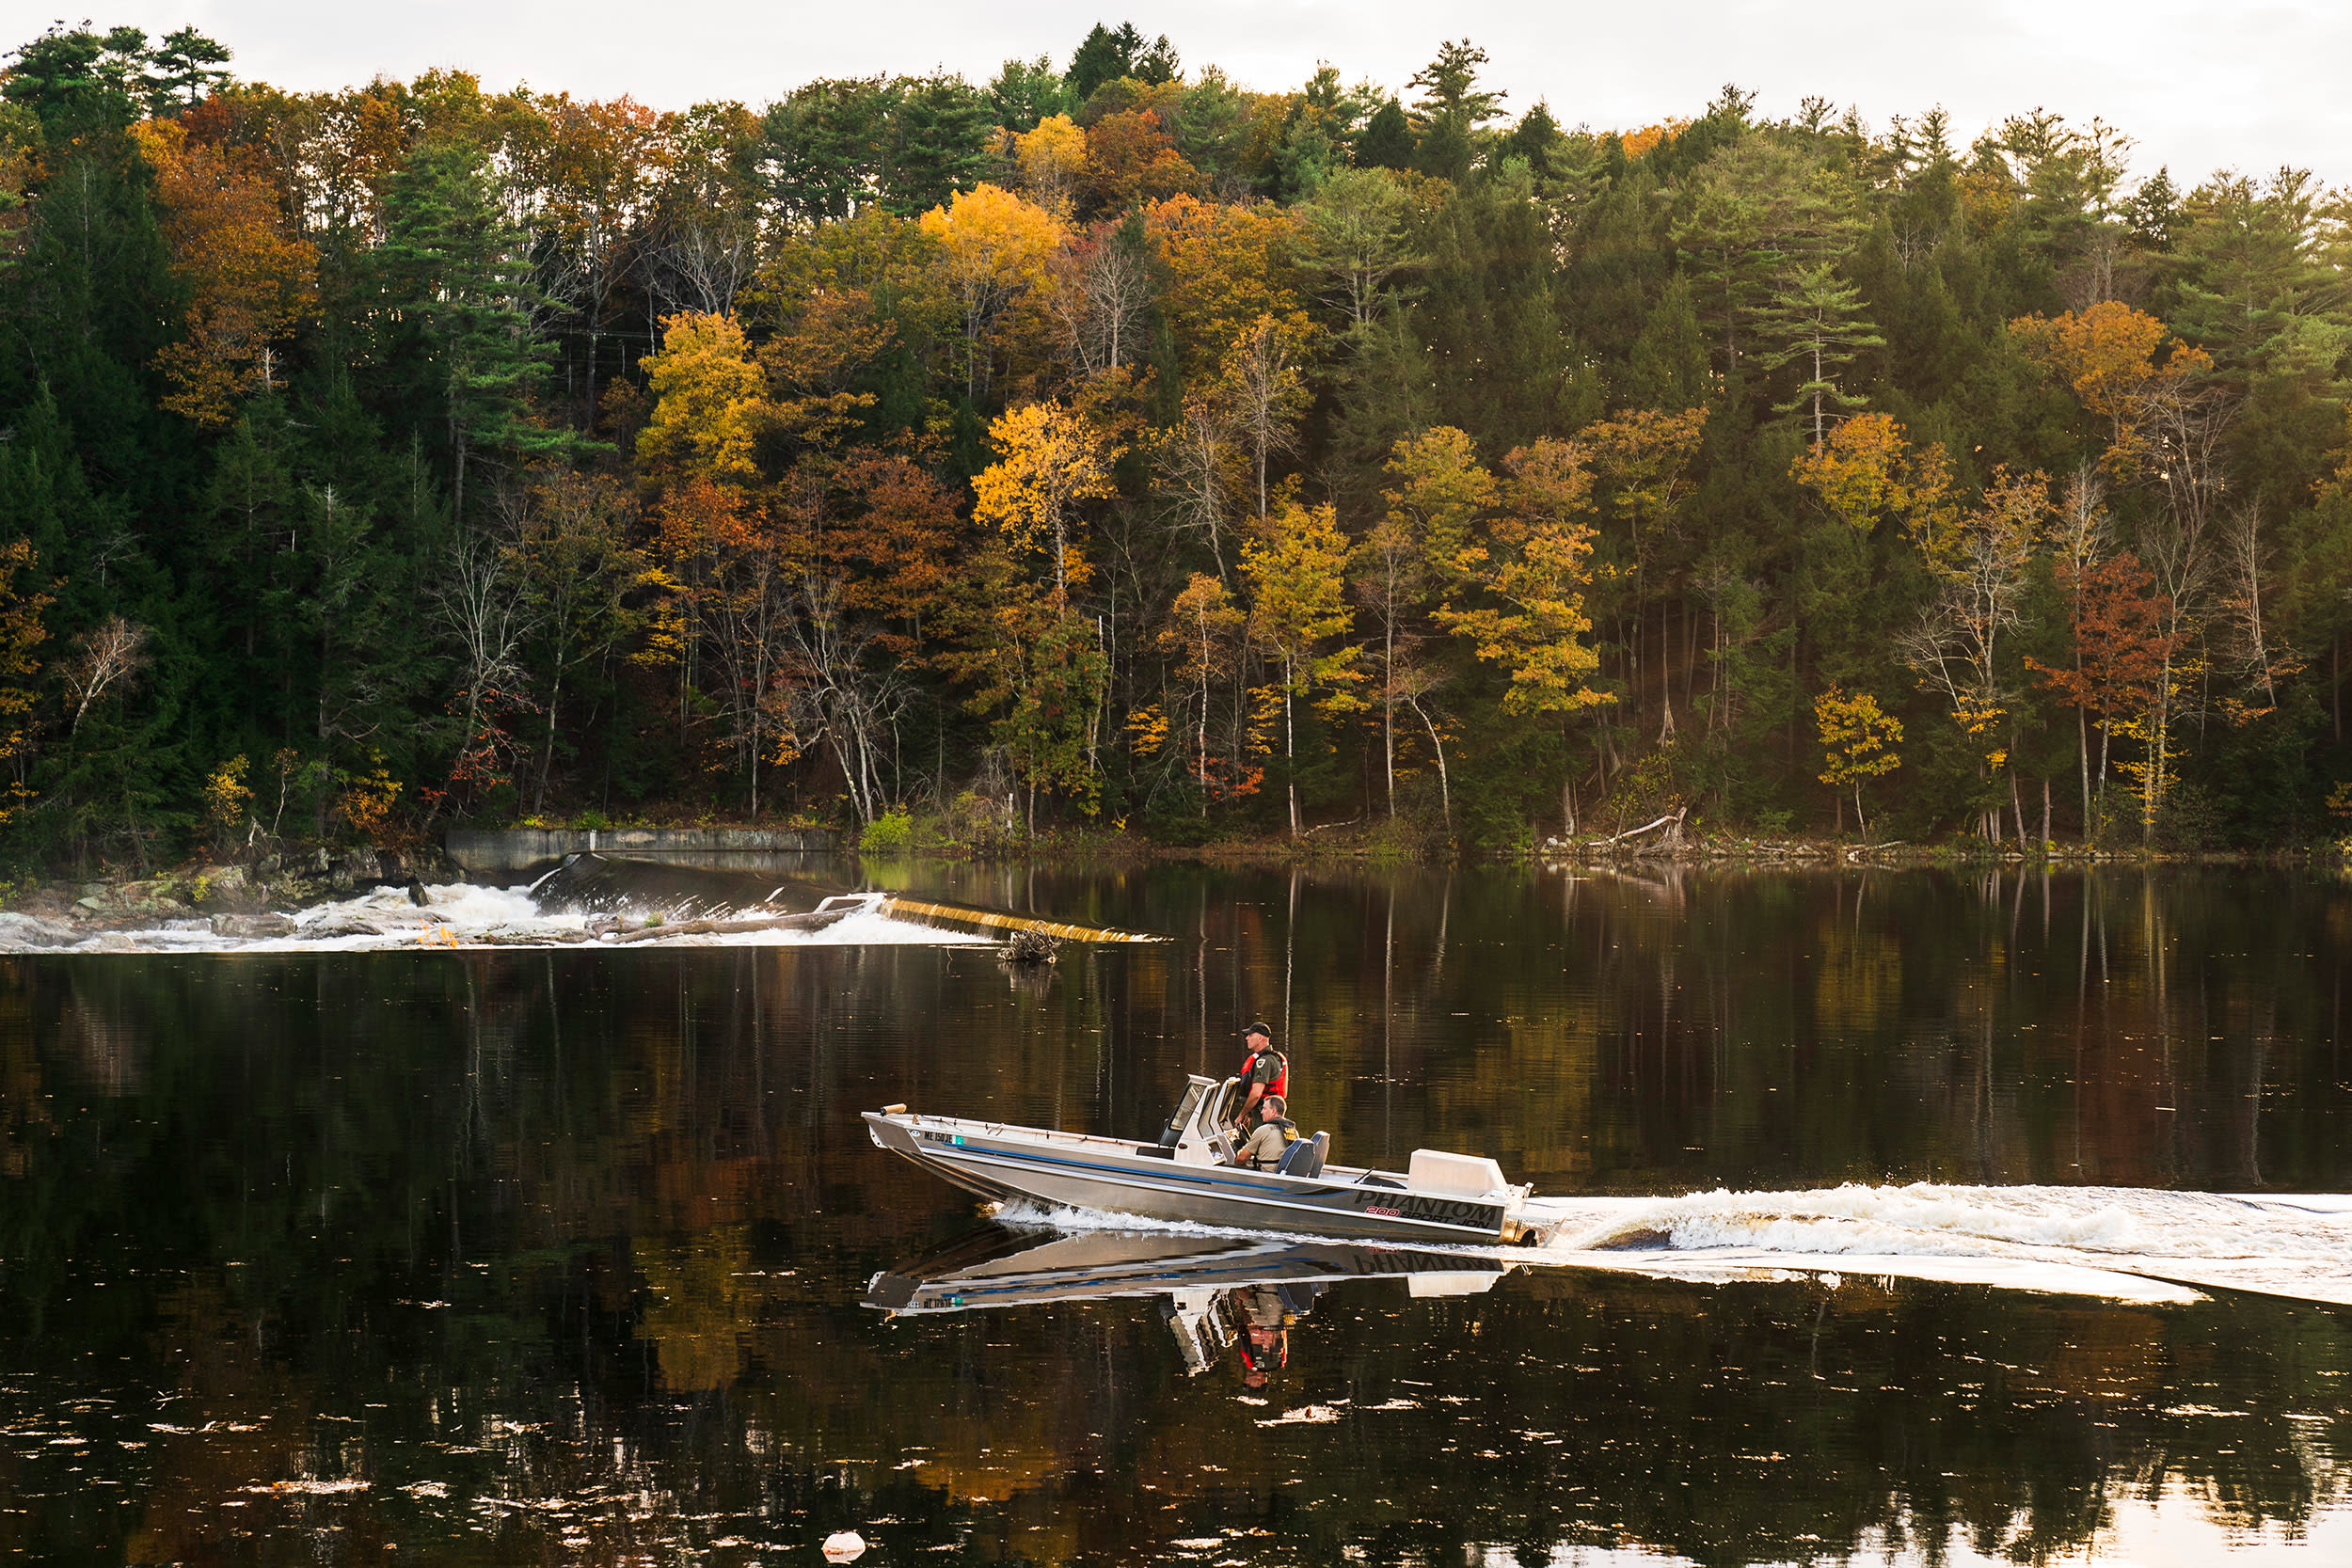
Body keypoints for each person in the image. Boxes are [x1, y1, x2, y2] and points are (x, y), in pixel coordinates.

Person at [1232, 1022, 1287, 1131]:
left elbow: (1256, 1094)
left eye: (1250, 1035)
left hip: (1264, 1114)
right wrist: (1249, 1113)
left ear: (1260, 1038)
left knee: (1262, 1142)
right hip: (1265, 1112)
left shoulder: (1264, 1061)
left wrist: (1242, 1114)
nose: (1247, 1038)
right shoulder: (1271, 1058)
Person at [1232, 1093, 1299, 1171]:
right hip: (1283, 1173)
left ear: (1273, 1111)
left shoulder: (1263, 1130)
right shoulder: (1293, 1131)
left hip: (1265, 1175)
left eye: (1264, 1109)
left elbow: (1241, 1160)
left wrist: (1237, 1150)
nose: (1261, 1112)